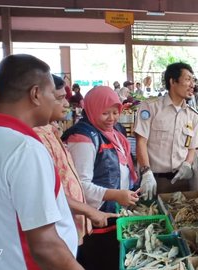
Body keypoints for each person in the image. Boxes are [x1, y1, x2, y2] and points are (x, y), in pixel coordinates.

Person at [0, 54, 82, 269]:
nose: (56, 103)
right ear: (36, 94)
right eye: (52, 96)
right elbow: (45, 246)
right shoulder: (24, 149)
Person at [34, 75, 119, 247]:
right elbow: (49, 193)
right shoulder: (80, 137)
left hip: (81, 218)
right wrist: (107, 199)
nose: (67, 103)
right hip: (72, 221)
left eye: (116, 112)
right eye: (60, 98)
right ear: (37, 96)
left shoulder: (52, 132)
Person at [62, 86, 139, 270]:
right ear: (92, 109)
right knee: (100, 260)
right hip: (95, 219)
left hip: (113, 213)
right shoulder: (83, 138)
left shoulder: (114, 131)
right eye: (105, 113)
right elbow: (80, 186)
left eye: (115, 112)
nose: (111, 118)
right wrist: (115, 194)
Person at [134, 62, 198, 199]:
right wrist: (146, 172)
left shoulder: (192, 115)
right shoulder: (150, 107)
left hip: (181, 182)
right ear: (173, 81)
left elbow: (192, 147)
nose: (192, 85)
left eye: (193, 80)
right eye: (188, 79)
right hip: (154, 181)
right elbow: (141, 141)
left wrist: (187, 164)